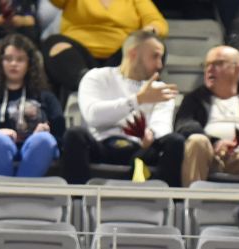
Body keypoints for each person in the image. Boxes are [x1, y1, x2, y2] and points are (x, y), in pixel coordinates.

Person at [60, 29, 182, 186]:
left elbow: (163, 125)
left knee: (175, 141)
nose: (160, 64)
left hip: (141, 149)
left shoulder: (159, 88)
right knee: (74, 134)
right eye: (155, 56)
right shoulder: (97, 77)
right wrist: (138, 100)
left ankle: (164, 203)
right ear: (133, 54)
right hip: (101, 145)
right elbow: (93, 116)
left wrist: (151, 134)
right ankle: (76, 200)